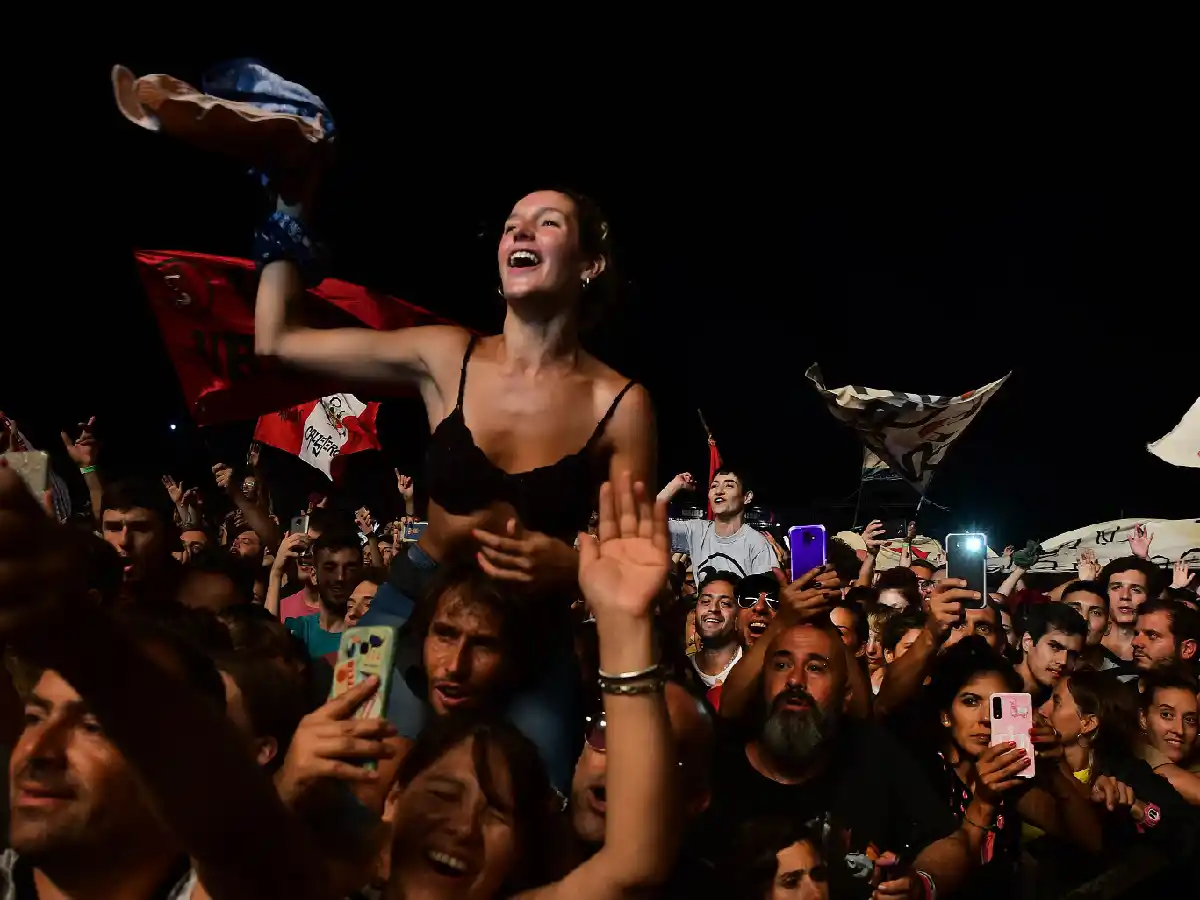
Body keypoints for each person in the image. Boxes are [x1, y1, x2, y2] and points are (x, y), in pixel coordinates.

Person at [255, 187, 655, 617]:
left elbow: (634, 572)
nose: (520, 231)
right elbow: (278, 341)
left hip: (528, 626)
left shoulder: (619, 405)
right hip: (411, 602)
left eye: (547, 222)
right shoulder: (447, 358)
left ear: (589, 264)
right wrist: (289, 204)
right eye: (511, 226)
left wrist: (572, 567)